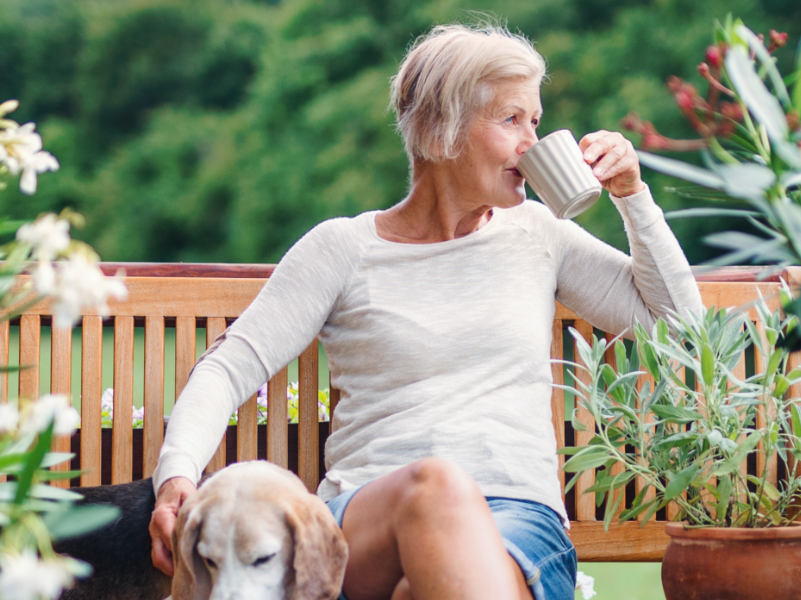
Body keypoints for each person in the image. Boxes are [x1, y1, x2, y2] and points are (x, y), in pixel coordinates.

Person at [149, 23, 703, 600]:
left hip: (517, 521)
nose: (530, 144)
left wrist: (633, 195)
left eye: (535, 123)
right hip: (365, 521)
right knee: (436, 486)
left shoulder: (541, 234)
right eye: (512, 120)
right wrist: (176, 480)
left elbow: (682, 329)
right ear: (443, 130)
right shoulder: (343, 249)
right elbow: (227, 367)